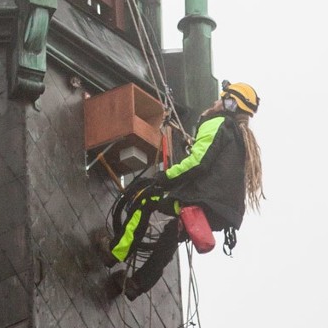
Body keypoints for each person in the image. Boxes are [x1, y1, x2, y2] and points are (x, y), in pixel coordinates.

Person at [109, 82, 264, 301]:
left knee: (146, 197)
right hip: (219, 214)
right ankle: (137, 284)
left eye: (221, 99)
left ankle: (115, 253)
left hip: (201, 202)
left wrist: (166, 178)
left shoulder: (219, 123)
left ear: (230, 104)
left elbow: (198, 162)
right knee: (173, 233)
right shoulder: (240, 140)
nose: (215, 101)